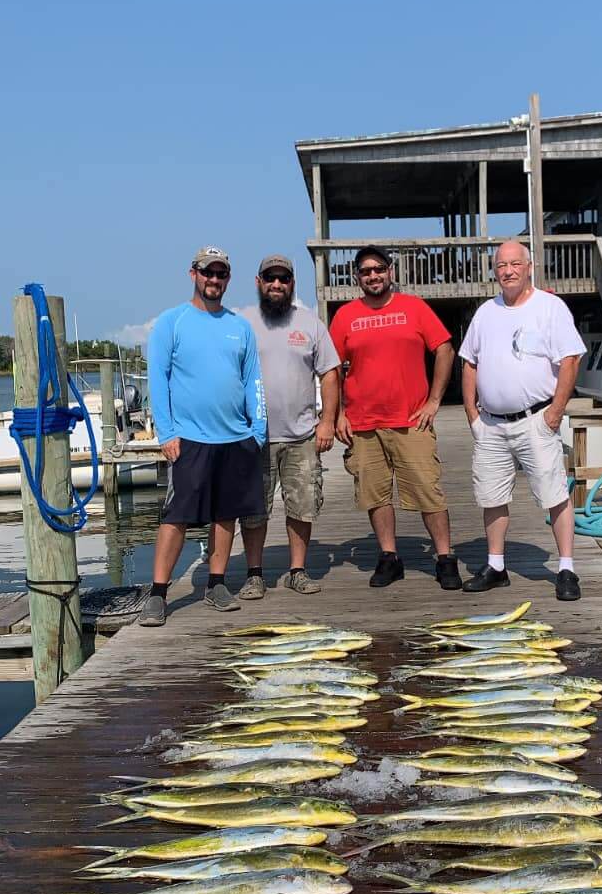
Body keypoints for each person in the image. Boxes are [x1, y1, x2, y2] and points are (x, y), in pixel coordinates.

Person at [139, 247, 267, 627]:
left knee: (226, 516)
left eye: (221, 274)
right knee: (175, 516)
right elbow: (157, 381)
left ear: (228, 279)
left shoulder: (240, 326)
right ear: (193, 274)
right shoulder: (171, 322)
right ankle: (158, 594)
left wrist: (256, 431)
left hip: (235, 439)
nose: (214, 280)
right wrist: (167, 432)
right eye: (207, 272)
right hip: (189, 439)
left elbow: (252, 381)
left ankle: (216, 584)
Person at [458, 239, 585, 601]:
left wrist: (555, 413)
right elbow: (469, 362)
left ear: (529, 267)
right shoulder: (486, 312)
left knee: (554, 494)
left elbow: (571, 360)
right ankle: (496, 565)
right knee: (491, 495)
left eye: (515, 264)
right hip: (492, 424)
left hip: (537, 419)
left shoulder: (551, 307)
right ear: (494, 271)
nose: (508, 271)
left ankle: (566, 568)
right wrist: (472, 415)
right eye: (501, 266)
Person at [330, 245, 462, 590]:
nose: (372, 275)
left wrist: (435, 400)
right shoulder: (345, 315)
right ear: (356, 277)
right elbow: (332, 368)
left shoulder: (414, 307)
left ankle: (445, 557)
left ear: (390, 271)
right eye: (365, 271)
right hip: (362, 424)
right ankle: (389, 557)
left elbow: (445, 349)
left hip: (411, 420)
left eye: (378, 269)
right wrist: (338, 414)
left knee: (428, 490)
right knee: (375, 495)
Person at [239, 254, 341, 597]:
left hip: (302, 436)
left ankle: (297, 570)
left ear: (292, 283)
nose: (277, 285)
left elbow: (330, 373)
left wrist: (328, 421)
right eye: (270, 279)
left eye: (284, 279)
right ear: (258, 283)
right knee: (254, 509)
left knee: (302, 506)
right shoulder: (243, 322)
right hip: (254, 438)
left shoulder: (311, 324)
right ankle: (255, 573)